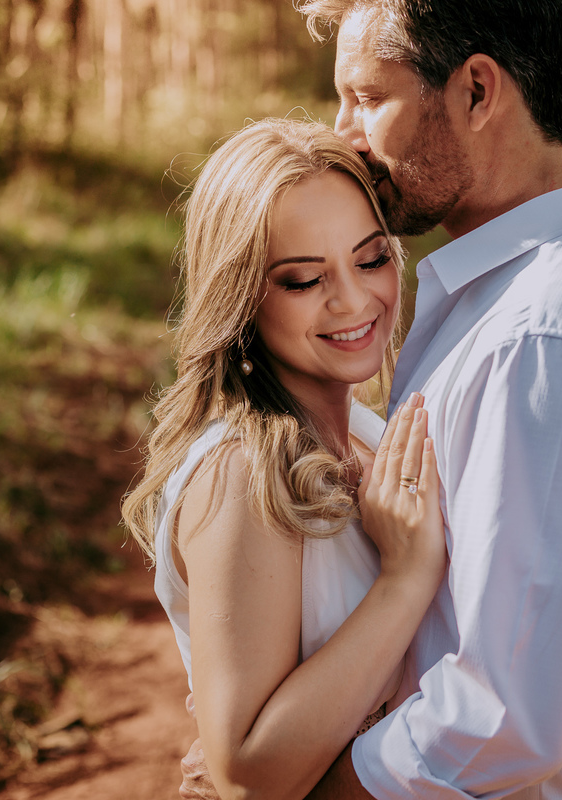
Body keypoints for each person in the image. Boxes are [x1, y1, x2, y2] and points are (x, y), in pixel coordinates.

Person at [185, 0, 562, 796]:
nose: (345, 131)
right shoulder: (503, 309)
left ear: (475, 92)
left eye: (367, 97)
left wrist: (311, 792)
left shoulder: (546, 344)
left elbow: (501, 716)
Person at [121, 117, 449, 800]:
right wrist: (405, 578)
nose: (353, 300)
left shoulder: (368, 435)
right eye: (303, 279)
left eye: (371, 260)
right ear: (241, 297)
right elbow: (248, 777)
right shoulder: (242, 474)